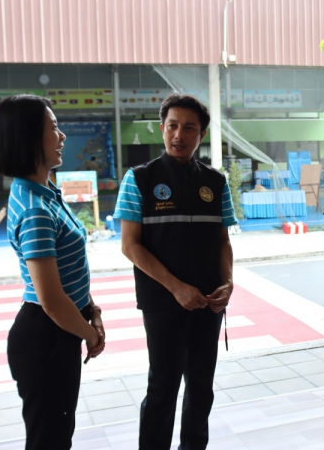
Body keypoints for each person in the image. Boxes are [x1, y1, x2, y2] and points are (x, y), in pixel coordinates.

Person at [114, 93, 237, 450]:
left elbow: (223, 241)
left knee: (201, 386)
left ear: (202, 134)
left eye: (189, 128)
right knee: (163, 386)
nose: (178, 135)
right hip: (162, 303)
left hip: (208, 303)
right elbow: (130, 246)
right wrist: (176, 287)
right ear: (162, 128)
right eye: (172, 126)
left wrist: (228, 282)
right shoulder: (139, 179)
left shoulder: (215, 182)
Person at [0, 94, 106, 450]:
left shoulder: (45, 192)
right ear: (29, 137)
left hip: (61, 328)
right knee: (50, 440)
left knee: (57, 435)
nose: (62, 136)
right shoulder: (36, 209)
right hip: (47, 338)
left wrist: (92, 309)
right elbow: (52, 300)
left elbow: (70, 271)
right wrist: (90, 335)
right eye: (53, 127)